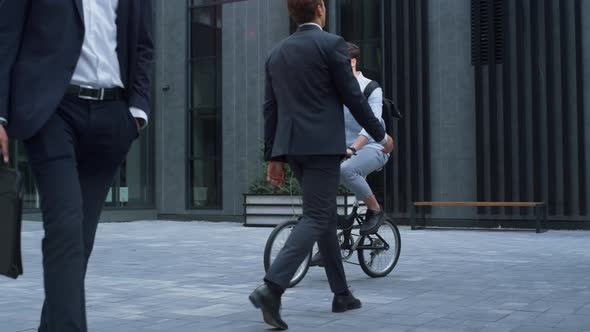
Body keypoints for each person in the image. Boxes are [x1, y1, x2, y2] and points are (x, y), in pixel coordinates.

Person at [0, 1, 153, 331]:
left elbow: (142, 45)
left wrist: (137, 112)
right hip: (53, 112)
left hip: (113, 116)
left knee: (79, 241)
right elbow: (5, 35)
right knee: (65, 230)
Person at [248, 0, 394, 330]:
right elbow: (353, 98)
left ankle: (342, 294)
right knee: (316, 216)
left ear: (291, 13)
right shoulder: (332, 45)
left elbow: (270, 109)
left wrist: (273, 156)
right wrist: (380, 134)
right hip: (323, 148)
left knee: (324, 216)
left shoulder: (277, 53)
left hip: (293, 148)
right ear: (320, 8)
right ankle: (272, 287)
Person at [340, 42, 391, 233]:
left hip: (374, 146)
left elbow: (373, 125)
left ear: (353, 62)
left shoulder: (371, 88)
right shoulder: (333, 88)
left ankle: (375, 209)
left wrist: (353, 149)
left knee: (346, 169)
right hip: (343, 148)